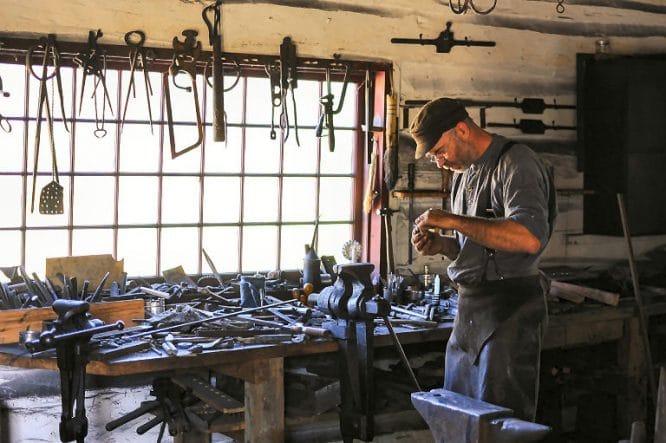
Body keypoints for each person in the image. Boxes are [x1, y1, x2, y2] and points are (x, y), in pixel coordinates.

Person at [409, 97, 556, 421]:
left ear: (461, 129)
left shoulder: (516, 162)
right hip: (471, 311)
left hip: (510, 309)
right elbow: (477, 247)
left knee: (499, 422)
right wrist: (443, 245)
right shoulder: (464, 175)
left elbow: (529, 238)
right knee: (459, 415)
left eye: (439, 151)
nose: (438, 162)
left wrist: (455, 220)